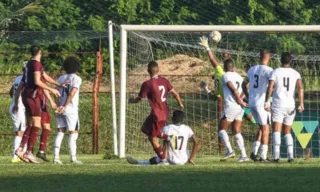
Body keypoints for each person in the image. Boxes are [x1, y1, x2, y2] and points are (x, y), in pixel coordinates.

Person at [129, 61, 184, 165]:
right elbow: (175, 93)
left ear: (147, 71)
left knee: (152, 138)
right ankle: (168, 137)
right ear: (158, 70)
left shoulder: (147, 84)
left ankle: (163, 160)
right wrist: (180, 103)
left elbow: (139, 99)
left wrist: (131, 101)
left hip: (157, 115)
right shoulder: (164, 80)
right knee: (144, 129)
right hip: (163, 113)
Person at [13, 45, 62, 163]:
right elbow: (37, 81)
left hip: (26, 96)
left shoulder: (29, 64)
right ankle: (28, 152)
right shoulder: (36, 65)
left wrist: (58, 84)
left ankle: (20, 149)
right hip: (33, 96)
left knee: (30, 124)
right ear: (40, 52)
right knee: (36, 125)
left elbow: (44, 77)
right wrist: (52, 90)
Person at [265, 52, 304, 163]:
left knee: (276, 130)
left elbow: (270, 87)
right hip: (290, 105)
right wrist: (301, 103)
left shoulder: (276, 71)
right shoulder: (295, 73)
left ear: (280, 60)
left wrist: (267, 101)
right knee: (287, 131)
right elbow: (300, 88)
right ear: (290, 61)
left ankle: (276, 156)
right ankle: (290, 156)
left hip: (278, 104)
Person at [127, 110, 198, 165]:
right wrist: (191, 158)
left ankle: (138, 163)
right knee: (185, 149)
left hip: (171, 160)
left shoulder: (167, 128)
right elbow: (196, 142)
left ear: (172, 118)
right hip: (184, 160)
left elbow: (165, 145)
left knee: (155, 159)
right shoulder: (187, 128)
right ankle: (162, 160)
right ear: (183, 119)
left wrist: (164, 158)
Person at [242, 50, 273, 162]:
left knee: (261, 127)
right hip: (262, 103)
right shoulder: (269, 70)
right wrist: (267, 100)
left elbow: (243, 84)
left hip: (252, 103)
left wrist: (248, 96)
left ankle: (254, 153)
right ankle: (263, 156)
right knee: (266, 128)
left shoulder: (252, 69)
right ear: (268, 57)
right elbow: (271, 86)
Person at [53, 56, 82, 164]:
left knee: (60, 132)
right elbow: (72, 93)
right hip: (70, 108)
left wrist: (58, 106)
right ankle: (73, 158)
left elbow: (56, 93)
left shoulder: (61, 78)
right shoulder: (76, 78)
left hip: (60, 108)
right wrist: (65, 106)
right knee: (73, 132)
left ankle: (56, 158)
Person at [219, 59, 249, 162]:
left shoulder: (225, 76)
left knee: (221, 130)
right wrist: (242, 98)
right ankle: (244, 155)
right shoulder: (239, 76)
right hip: (240, 107)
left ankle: (230, 151)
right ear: (233, 67)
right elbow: (246, 89)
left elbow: (233, 89)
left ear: (224, 67)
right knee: (236, 130)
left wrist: (239, 100)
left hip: (232, 105)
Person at [9, 61, 28, 163]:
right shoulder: (26, 79)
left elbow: (11, 92)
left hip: (15, 106)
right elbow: (16, 93)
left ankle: (21, 154)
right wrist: (17, 103)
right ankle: (15, 156)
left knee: (21, 131)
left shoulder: (17, 78)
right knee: (20, 132)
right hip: (18, 107)